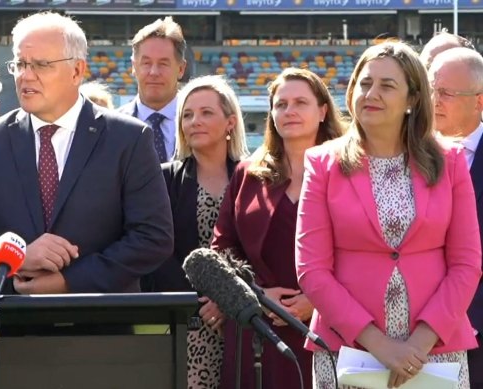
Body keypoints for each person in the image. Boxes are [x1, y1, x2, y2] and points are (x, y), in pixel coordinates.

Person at [0, 11, 173, 294]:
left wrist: (71, 281)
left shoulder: (128, 139)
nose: (26, 76)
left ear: (77, 70)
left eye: (41, 65)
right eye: (20, 64)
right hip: (12, 325)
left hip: (104, 324)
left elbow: (153, 237)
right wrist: (20, 257)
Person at [295, 41, 481, 389]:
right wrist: (379, 345)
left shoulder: (451, 161)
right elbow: (312, 270)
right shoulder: (322, 163)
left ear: (412, 99)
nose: (371, 93)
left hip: (434, 351)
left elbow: (467, 264)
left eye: (387, 85)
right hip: (350, 350)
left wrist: (417, 344)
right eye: (365, 83)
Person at [211, 67, 345, 389]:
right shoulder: (248, 174)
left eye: (300, 102)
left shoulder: (349, 171)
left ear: (323, 110)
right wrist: (255, 295)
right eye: (281, 104)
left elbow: (365, 251)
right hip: (259, 327)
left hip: (330, 326)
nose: (290, 111)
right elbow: (223, 247)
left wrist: (319, 301)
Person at [146, 75, 249, 388]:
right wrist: (204, 303)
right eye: (187, 114)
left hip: (245, 319)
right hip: (189, 322)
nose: (194, 122)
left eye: (206, 113)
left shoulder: (255, 178)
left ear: (230, 122)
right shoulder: (163, 180)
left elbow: (262, 251)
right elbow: (157, 251)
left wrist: (230, 299)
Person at [428, 47, 483, 389]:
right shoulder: (403, 156)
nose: (435, 100)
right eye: (431, 89)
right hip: (408, 339)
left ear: (479, 101)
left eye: (446, 93)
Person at [118, 16, 186, 163]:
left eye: (163, 64)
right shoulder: (111, 128)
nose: (154, 72)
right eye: (146, 63)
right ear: (134, 66)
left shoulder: (198, 126)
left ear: (181, 69)